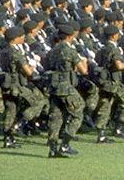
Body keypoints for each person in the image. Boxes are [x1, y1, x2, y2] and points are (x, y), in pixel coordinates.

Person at [44, 24, 87, 158]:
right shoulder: (70, 51)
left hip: (53, 87)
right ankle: (65, 144)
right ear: (70, 36)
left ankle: (52, 149)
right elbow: (83, 70)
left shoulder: (52, 50)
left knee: (55, 118)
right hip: (66, 87)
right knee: (78, 112)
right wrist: (84, 60)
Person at [93, 25, 124, 143]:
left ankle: (101, 134)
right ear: (114, 36)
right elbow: (118, 66)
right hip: (113, 82)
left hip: (104, 81)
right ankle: (119, 128)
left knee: (104, 107)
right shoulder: (114, 49)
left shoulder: (103, 48)